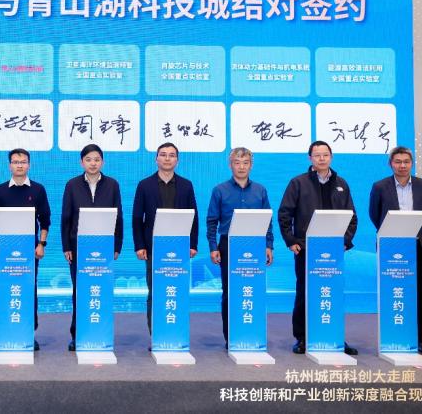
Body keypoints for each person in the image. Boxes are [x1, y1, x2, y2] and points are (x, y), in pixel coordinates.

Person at [278, 140, 358, 355]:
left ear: (331, 157)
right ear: (310, 158)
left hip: (333, 250)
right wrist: (291, 240)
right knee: (304, 293)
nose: (322, 158)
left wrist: (345, 241)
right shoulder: (298, 183)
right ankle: (302, 337)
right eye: (317, 155)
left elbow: (352, 217)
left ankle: (334, 336)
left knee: (332, 292)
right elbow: (284, 214)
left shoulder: (341, 184)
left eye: (325, 155)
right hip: (306, 248)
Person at [369, 146, 422, 356]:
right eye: (397, 161)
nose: (402, 165)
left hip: (418, 246)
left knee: (421, 294)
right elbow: (375, 215)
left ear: (411, 163)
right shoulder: (380, 187)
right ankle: (394, 336)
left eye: (406, 161)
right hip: (392, 247)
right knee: (393, 292)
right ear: (391, 164)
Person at [206, 147, 273, 348]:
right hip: (228, 245)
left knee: (253, 289)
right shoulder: (219, 190)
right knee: (230, 291)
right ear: (230, 165)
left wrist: (269, 245)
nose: (241, 167)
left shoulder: (260, 190)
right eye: (237, 162)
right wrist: (213, 247)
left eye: (245, 162)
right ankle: (231, 337)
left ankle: (252, 333)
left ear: (251, 165)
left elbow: (268, 220)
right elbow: (212, 221)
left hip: (255, 245)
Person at [0, 148, 51, 351]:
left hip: (30, 251)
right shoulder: (0, 190)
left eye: (23, 162)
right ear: (10, 166)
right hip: (6, 251)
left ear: (29, 165)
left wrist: (41, 244)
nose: (19, 165)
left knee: (29, 290)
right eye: (15, 162)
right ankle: (8, 331)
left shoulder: (38, 190)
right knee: (8, 289)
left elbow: (45, 220)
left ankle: (29, 333)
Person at [61, 144, 123, 351]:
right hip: (78, 247)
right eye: (88, 159)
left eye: (97, 159)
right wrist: (66, 246)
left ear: (102, 162)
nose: (93, 163)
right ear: (82, 162)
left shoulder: (112, 185)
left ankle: (100, 333)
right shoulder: (72, 185)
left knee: (101, 291)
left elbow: (118, 216)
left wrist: (117, 245)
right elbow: (66, 217)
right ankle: (77, 334)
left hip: (104, 247)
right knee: (80, 291)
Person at [132, 142, 198, 334]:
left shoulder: (186, 185)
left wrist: (193, 244)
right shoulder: (144, 185)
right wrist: (139, 246)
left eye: (171, 155)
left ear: (177, 160)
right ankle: (156, 335)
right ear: (156, 159)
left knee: (177, 290)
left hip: (179, 247)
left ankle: (175, 333)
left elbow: (194, 217)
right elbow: (137, 218)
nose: (167, 158)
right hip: (153, 247)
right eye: (163, 154)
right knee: (155, 291)